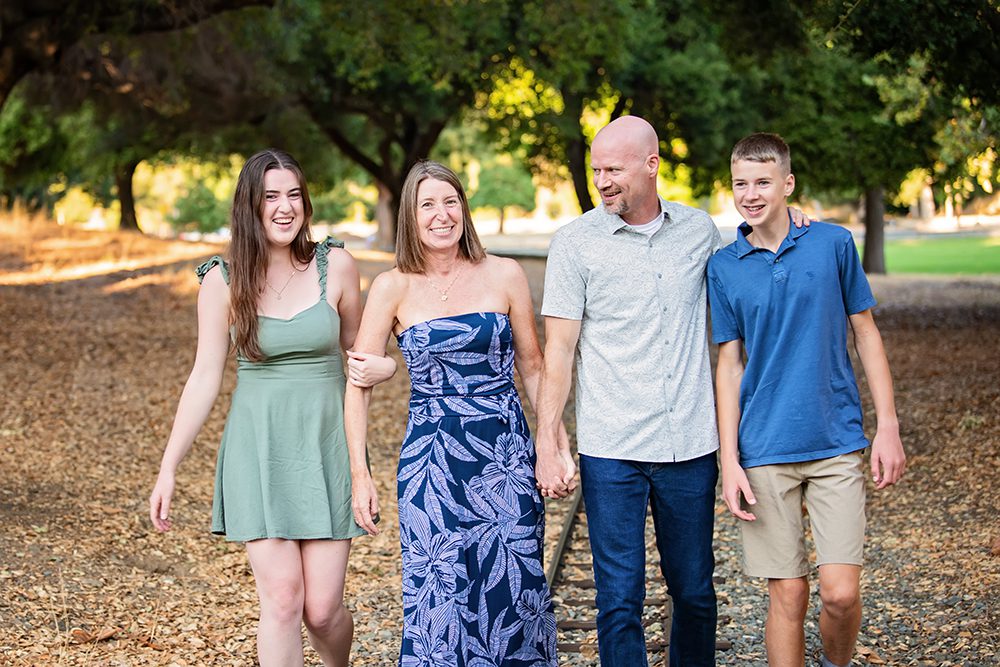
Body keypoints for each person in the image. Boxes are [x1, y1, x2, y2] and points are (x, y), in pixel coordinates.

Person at [534, 115, 809, 667]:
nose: (602, 181)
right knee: (619, 600)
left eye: (614, 169)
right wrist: (548, 438)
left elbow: (749, 254)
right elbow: (558, 352)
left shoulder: (699, 231)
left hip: (689, 443)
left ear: (652, 165)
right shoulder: (574, 244)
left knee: (694, 592)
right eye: (596, 170)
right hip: (612, 449)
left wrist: (786, 216)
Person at [148, 149, 396, 667]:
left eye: (293, 195)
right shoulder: (221, 280)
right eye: (270, 197)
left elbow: (364, 359)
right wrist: (168, 467)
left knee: (323, 610)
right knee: (282, 600)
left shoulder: (338, 265)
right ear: (249, 207)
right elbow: (204, 375)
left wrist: (386, 371)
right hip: (257, 450)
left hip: (326, 445)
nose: (285, 208)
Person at [345, 160, 559, 666]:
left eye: (450, 201)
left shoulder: (504, 274)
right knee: (438, 596)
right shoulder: (391, 287)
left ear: (464, 207)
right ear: (409, 218)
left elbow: (533, 367)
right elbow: (357, 385)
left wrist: (551, 444)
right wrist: (360, 473)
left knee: (515, 589)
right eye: (427, 205)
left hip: (503, 457)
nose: (441, 215)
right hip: (432, 464)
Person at [708, 132, 905, 667]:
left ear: (788, 184)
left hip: (835, 438)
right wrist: (729, 459)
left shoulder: (832, 243)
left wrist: (887, 424)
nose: (751, 194)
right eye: (740, 183)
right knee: (788, 593)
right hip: (764, 447)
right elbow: (730, 363)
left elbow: (865, 332)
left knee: (840, 594)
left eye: (763, 182)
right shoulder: (724, 266)